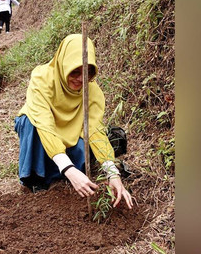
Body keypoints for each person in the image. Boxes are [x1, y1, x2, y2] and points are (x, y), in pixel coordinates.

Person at [15, 34, 133, 210]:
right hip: (41, 129)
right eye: (75, 72)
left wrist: (113, 173)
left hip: (71, 132)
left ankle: (62, 171)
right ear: (64, 65)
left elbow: (94, 130)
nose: (80, 79)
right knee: (29, 122)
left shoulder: (92, 91)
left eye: (87, 73)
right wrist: (68, 169)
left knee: (81, 151)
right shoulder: (42, 78)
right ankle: (36, 177)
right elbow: (44, 123)